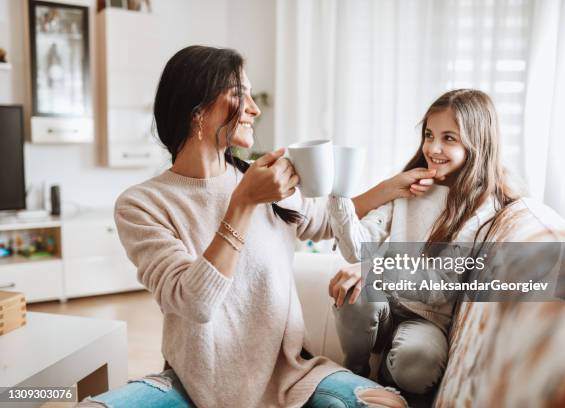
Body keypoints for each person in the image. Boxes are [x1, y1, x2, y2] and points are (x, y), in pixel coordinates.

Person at [93, 46, 426, 408]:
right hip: (194, 384)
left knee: (385, 406)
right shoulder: (142, 204)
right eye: (240, 95)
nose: (255, 108)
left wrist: (395, 185)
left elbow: (322, 220)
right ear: (198, 111)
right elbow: (195, 304)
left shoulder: (260, 180)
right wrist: (244, 203)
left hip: (291, 375)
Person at [327, 89, 521, 395]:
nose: (433, 148)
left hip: (428, 318)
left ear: (478, 142)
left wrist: (373, 270)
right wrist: (337, 192)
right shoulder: (412, 184)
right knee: (357, 295)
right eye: (429, 135)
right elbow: (356, 250)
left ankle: (387, 382)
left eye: (449, 138)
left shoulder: (484, 208)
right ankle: (356, 373)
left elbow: (440, 285)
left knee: (418, 364)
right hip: (385, 302)